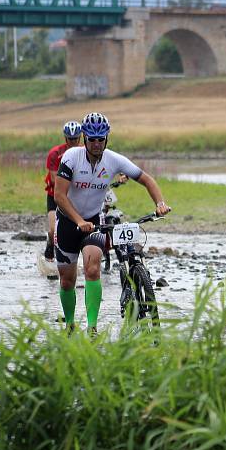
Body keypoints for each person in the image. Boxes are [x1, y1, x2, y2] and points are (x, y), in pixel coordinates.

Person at [53, 112, 171, 336]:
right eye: (92, 139)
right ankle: (69, 324)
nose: (96, 144)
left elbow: (146, 179)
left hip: (94, 222)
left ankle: (92, 327)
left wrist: (160, 203)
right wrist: (78, 220)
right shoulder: (71, 157)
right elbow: (59, 195)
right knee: (67, 281)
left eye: (101, 139)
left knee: (93, 268)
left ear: (106, 139)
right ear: (85, 138)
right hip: (68, 222)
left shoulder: (114, 160)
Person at [43, 121, 82, 260]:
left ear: (80, 138)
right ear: (65, 138)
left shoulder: (85, 152)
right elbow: (54, 179)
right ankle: (50, 243)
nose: (73, 142)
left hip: (74, 196)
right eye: (70, 139)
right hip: (55, 195)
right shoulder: (55, 153)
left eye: (76, 139)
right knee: (54, 231)